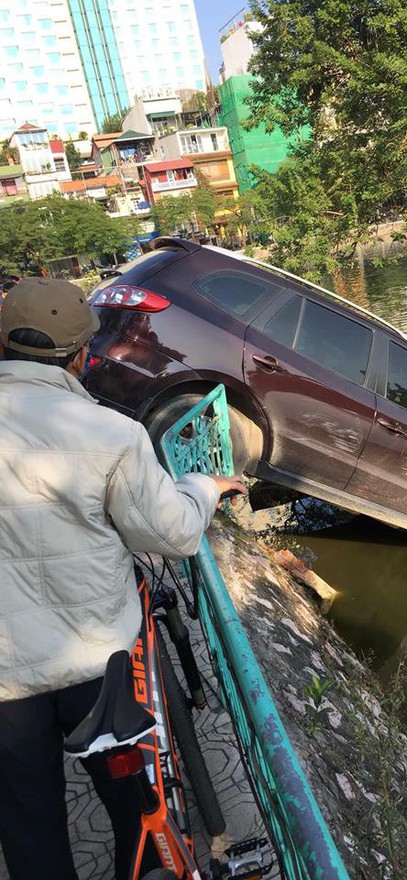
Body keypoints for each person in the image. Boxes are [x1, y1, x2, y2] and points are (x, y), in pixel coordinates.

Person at [0, 277, 246, 880]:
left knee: (28, 824)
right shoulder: (110, 433)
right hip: (97, 666)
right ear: (82, 357)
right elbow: (174, 534)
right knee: (134, 811)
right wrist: (201, 487)